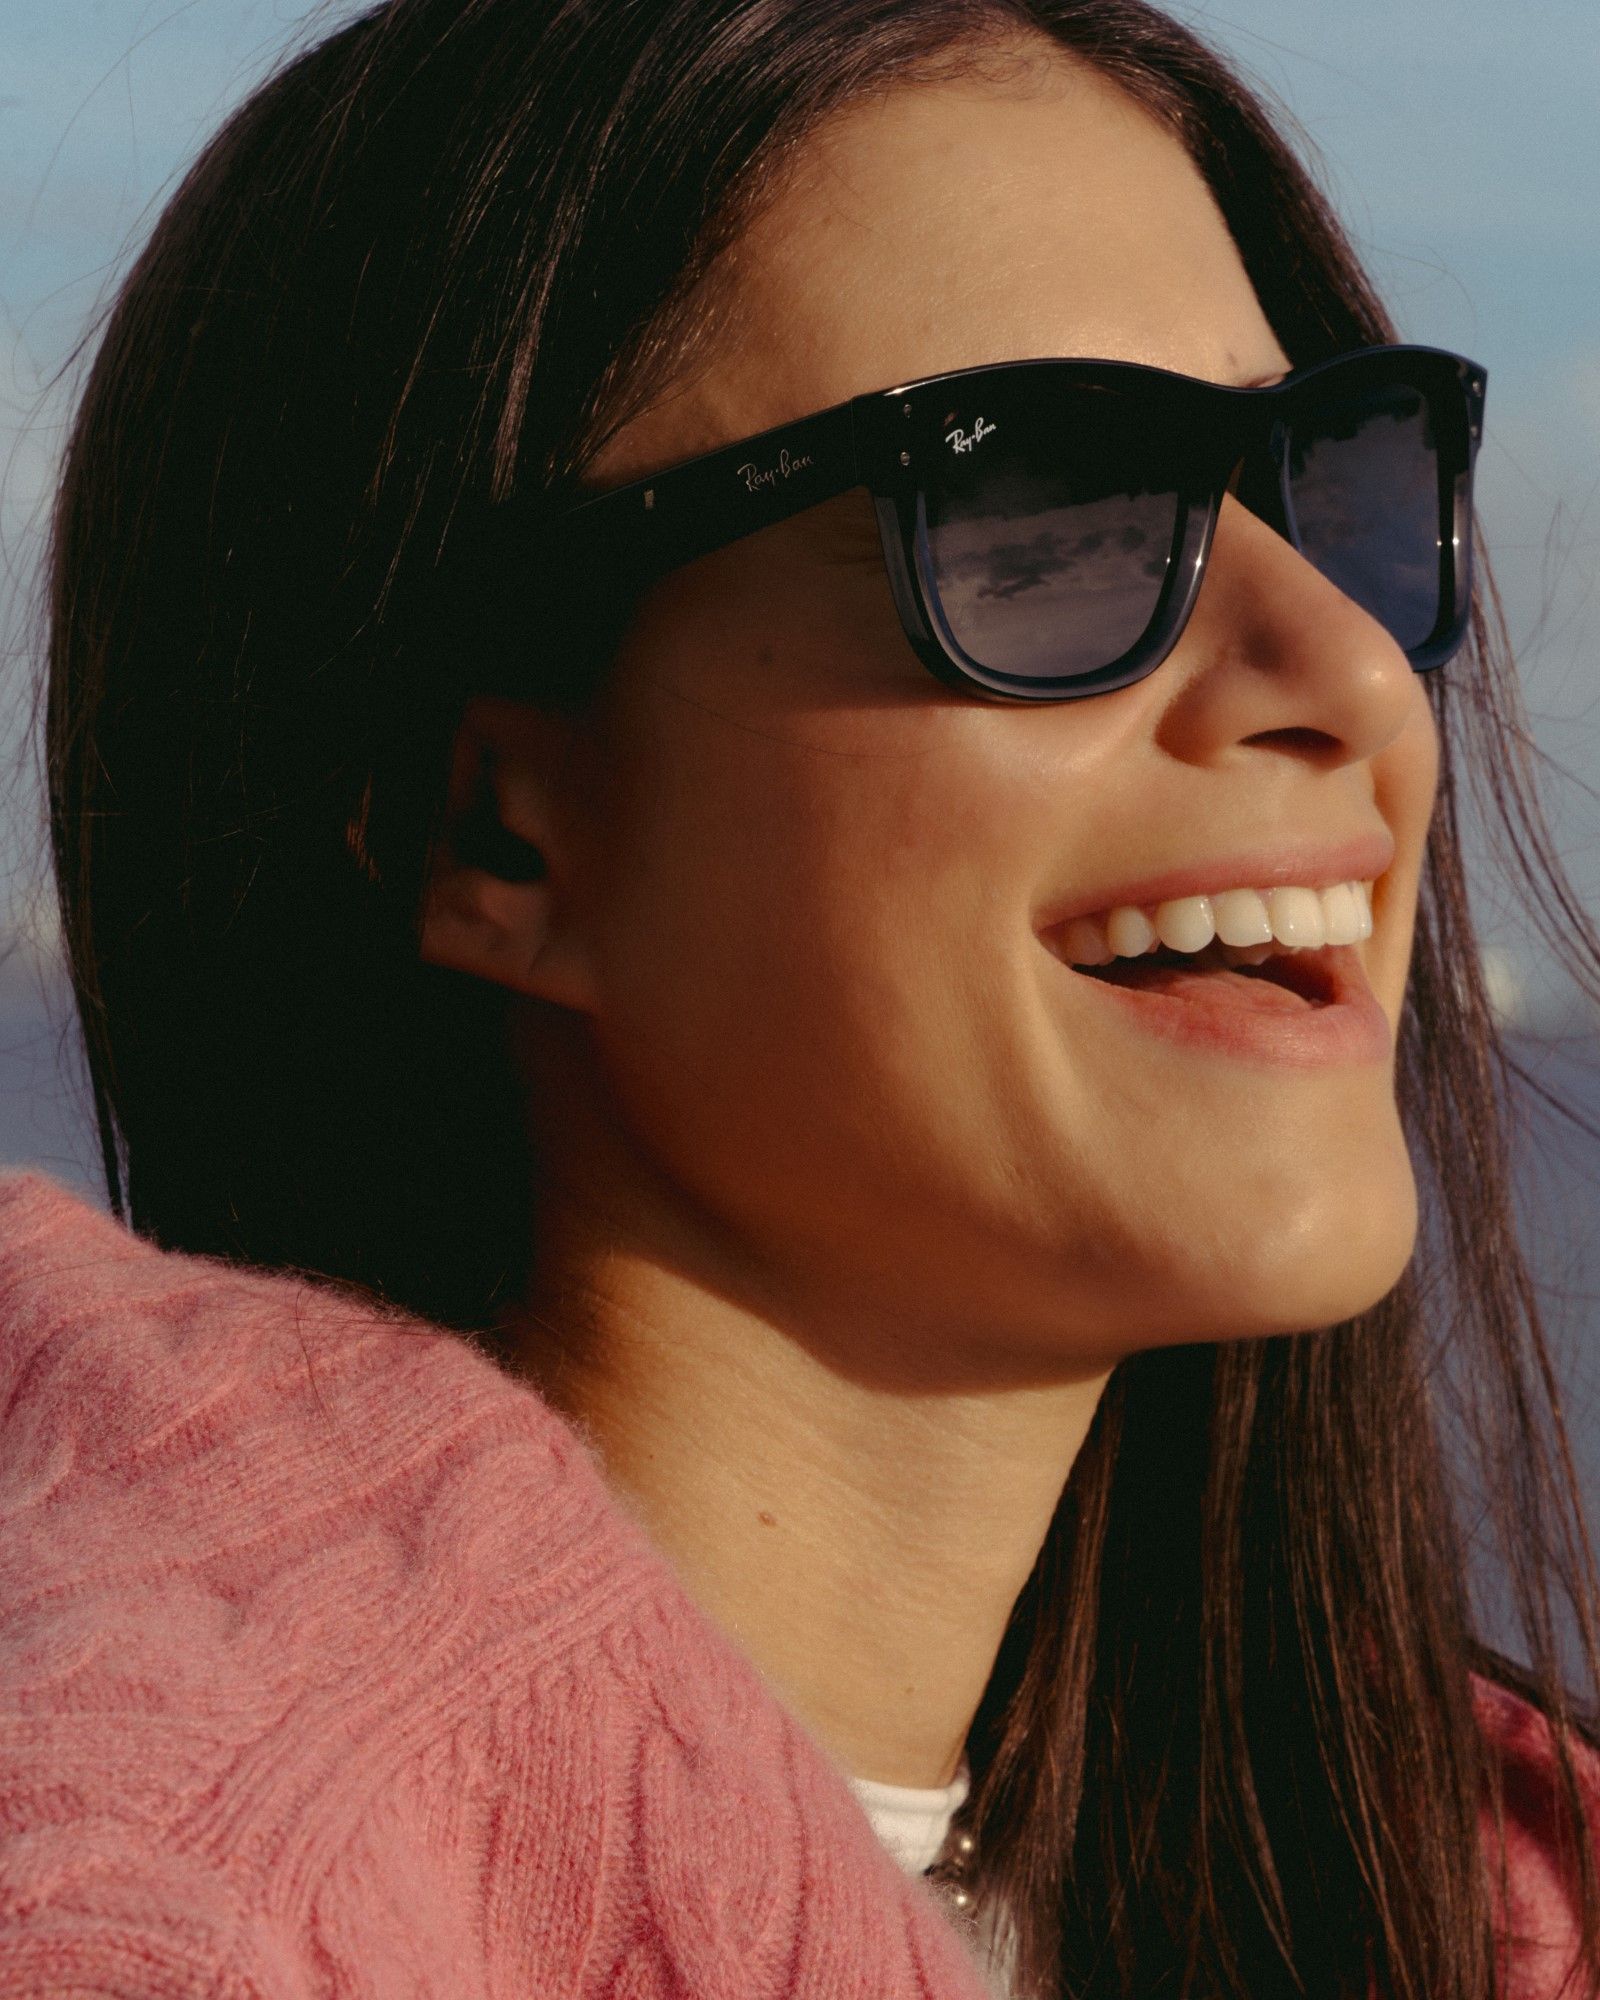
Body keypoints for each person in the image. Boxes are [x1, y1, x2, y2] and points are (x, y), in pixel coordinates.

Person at [4, 1, 1600, 1995]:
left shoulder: (1466, 1901)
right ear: (489, 828)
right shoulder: (149, 1898)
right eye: (1040, 516)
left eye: (1332, 480)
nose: (1349, 674)